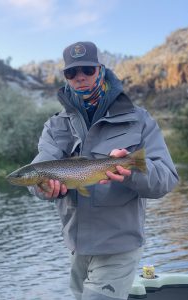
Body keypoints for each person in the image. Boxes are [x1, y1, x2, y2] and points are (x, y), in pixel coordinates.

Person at [29, 41, 179, 300]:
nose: (80, 78)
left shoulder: (138, 119)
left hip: (118, 246)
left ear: (100, 70)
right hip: (76, 247)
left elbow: (167, 178)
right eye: (71, 73)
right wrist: (44, 188)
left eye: (87, 69)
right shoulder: (55, 126)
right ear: (66, 77)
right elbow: (38, 173)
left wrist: (132, 172)